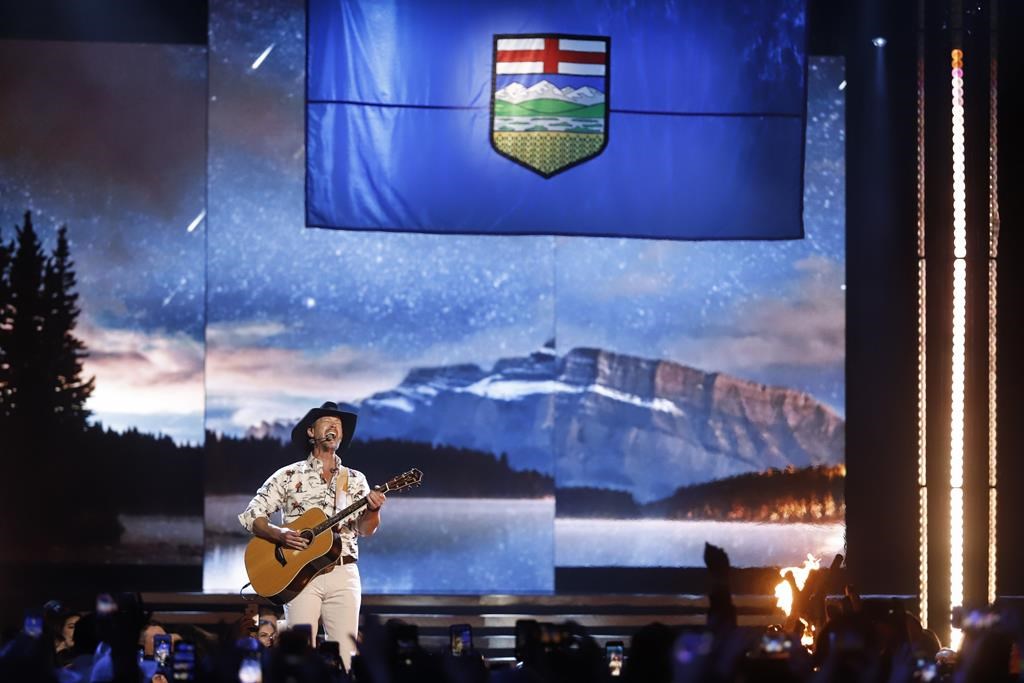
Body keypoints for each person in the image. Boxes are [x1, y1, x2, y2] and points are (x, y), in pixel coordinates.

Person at [239, 401, 386, 671]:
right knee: (300, 656)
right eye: (327, 421)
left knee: (345, 656)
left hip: (344, 572)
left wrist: (373, 511)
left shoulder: (355, 480)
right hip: (299, 575)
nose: (334, 427)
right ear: (310, 431)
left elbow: (365, 530)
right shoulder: (287, 475)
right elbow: (252, 515)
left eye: (339, 425)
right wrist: (279, 534)